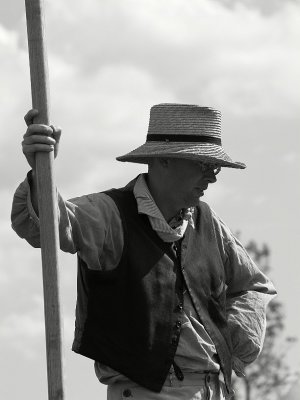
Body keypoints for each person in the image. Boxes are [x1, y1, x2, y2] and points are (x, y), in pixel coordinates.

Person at [11, 103, 276, 400]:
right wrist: (41, 172)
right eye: (203, 165)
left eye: (214, 167)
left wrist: (232, 339)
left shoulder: (207, 222)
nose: (212, 177)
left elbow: (255, 286)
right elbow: (47, 227)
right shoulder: (110, 214)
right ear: (164, 160)